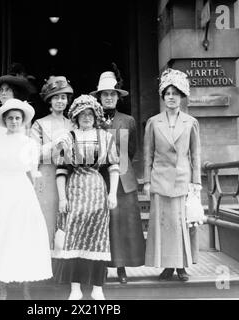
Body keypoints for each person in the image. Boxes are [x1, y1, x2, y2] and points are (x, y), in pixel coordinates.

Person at [0, 98, 52, 300]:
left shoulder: (29, 144)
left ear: (23, 121)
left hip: (23, 193)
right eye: (10, 118)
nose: (14, 122)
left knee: (23, 236)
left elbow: (33, 173)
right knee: (2, 237)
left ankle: (26, 287)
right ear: (5, 121)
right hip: (2, 193)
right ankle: (3, 288)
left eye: (17, 118)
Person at [53, 94, 120, 300]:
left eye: (90, 114)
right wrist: (62, 198)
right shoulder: (68, 138)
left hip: (97, 190)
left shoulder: (106, 138)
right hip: (75, 190)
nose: (87, 117)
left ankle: (98, 287)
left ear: (96, 116)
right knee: (74, 237)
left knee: (98, 238)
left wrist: (113, 193)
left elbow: (114, 167)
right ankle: (75, 288)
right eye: (82, 114)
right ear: (76, 116)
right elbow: (61, 170)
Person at [143, 68, 201, 282]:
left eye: (175, 94)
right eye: (167, 94)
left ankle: (182, 267)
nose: (171, 98)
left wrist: (196, 182)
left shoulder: (191, 122)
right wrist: (147, 181)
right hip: (160, 179)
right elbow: (148, 154)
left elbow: (195, 153)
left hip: (182, 180)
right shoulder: (153, 122)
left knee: (181, 224)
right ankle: (167, 266)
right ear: (163, 97)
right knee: (164, 224)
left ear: (182, 96)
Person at [90, 67, 145, 284]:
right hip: (99, 178)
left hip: (123, 177)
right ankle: (101, 266)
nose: (109, 98)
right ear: (100, 97)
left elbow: (131, 151)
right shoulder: (91, 119)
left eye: (113, 94)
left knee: (123, 224)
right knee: (101, 223)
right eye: (105, 94)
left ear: (117, 97)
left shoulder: (128, 120)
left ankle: (121, 267)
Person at [0, 65, 36, 226]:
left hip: (18, 174)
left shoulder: (23, 118)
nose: (4, 93)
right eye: (1, 90)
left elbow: (29, 146)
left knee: (19, 218)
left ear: (14, 93)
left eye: (7, 90)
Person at [30, 76, 74, 248]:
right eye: (56, 97)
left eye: (63, 97)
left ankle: (64, 267)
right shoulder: (39, 124)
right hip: (47, 176)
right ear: (49, 100)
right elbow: (34, 153)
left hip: (69, 176)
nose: (60, 101)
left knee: (67, 219)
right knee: (46, 218)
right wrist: (55, 144)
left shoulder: (73, 124)